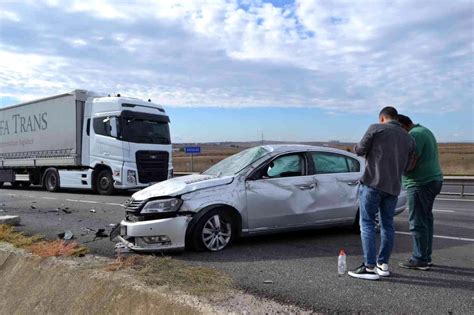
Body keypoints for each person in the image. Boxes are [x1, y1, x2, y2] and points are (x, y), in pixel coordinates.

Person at [348, 107, 415, 280]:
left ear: (382, 118)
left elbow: (360, 150)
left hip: (372, 183)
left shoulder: (376, 128)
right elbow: (409, 166)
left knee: (367, 223)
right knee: (387, 225)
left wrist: (355, 148)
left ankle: (369, 266)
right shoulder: (408, 138)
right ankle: (382, 264)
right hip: (393, 188)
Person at [397, 115, 443, 270]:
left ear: (403, 126)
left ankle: (419, 259)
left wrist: (396, 167)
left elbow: (411, 163)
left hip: (420, 183)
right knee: (426, 220)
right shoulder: (424, 130)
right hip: (432, 180)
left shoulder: (414, 135)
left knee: (417, 222)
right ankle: (425, 256)